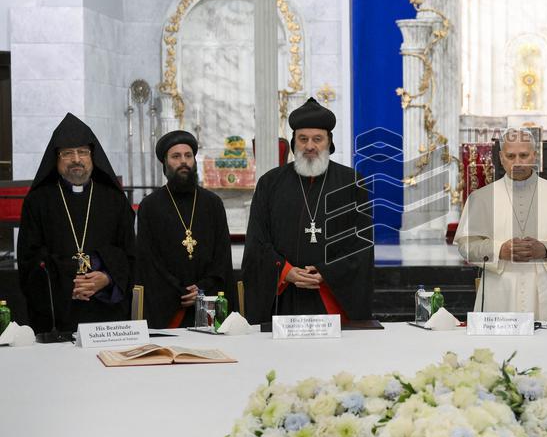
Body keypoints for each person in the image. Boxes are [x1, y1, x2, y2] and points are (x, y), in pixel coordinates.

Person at [243, 98, 374, 325]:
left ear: (329, 142)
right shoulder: (270, 183)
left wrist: (327, 272)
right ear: (294, 142)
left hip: (332, 297)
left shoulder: (352, 182)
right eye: (303, 139)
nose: (310, 146)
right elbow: (257, 240)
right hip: (282, 299)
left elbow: (361, 244)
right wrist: (284, 272)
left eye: (317, 139)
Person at [455, 128, 547, 321]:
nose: (517, 162)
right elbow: (466, 246)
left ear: (535, 155)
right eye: (511, 156)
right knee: (500, 350)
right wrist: (500, 250)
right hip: (501, 287)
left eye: (524, 155)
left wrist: (545, 249)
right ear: (501, 157)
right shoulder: (481, 198)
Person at [17, 113, 135, 333]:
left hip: (107, 316)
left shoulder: (114, 199)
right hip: (59, 313)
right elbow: (28, 258)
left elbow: (130, 254)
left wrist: (108, 278)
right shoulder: (38, 201)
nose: (76, 159)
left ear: (93, 156)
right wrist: (66, 280)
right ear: (56, 159)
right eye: (67, 153)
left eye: (83, 152)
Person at [136, 130, 234, 328]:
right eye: (176, 156)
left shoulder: (212, 203)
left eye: (188, 156)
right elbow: (148, 259)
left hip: (209, 300)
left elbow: (222, 255)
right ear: (165, 164)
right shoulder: (150, 205)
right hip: (167, 304)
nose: (183, 161)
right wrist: (179, 290)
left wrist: (202, 289)